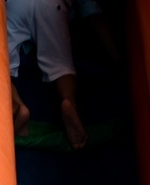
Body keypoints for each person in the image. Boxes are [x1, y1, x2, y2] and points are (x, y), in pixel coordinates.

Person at [6, 0, 106, 150]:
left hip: (17, 5)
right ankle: (68, 100)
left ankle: (17, 105)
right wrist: (117, 57)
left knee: (3, 66)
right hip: (52, 5)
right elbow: (91, 11)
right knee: (61, 65)